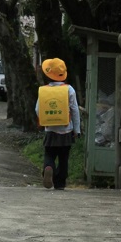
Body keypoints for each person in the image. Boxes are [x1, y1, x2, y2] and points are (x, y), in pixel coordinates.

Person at [35, 58, 81, 191]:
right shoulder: (69, 89)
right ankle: (60, 182)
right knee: (63, 157)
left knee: (49, 153)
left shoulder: (43, 90)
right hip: (66, 130)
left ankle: (48, 167)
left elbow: (37, 109)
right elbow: (75, 110)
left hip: (50, 130)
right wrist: (77, 130)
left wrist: (45, 122)